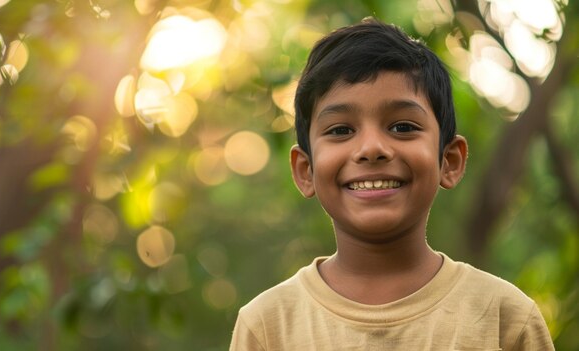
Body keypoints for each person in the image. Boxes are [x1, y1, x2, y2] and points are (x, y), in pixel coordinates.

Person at [230, 17, 554, 350]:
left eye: (402, 127)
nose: (371, 149)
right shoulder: (267, 326)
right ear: (306, 170)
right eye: (341, 130)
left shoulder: (505, 319)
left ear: (449, 161)